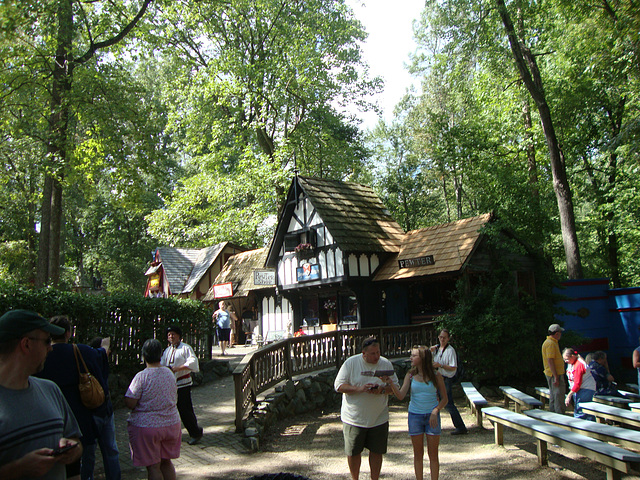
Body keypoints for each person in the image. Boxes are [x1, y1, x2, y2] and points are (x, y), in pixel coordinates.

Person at [0, 309, 82, 480]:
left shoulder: (51, 389)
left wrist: (73, 448)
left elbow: (75, 439)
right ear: (26, 344)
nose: (50, 348)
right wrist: (19, 468)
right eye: (47, 341)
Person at [37, 315, 115, 480]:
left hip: (49, 417)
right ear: (68, 333)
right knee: (85, 455)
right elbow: (101, 355)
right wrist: (105, 346)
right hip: (80, 415)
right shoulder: (80, 351)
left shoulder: (40, 357)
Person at [334, 336, 399, 480]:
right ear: (364, 354)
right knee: (353, 452)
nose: (376, 356)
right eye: (372, 353)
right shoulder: (351, 363)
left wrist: (381, 390)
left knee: (377, 452)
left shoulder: (385, 364)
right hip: (354, 418)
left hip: (379, 417)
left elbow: (396, 388)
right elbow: (338, 386)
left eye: (378, 352)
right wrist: (359, 389)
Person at [384, 346, 447, 480]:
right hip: (415, 416)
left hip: (432, 417)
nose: (411, 358)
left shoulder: (436, 375)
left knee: (433, 454)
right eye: (411, 355)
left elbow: (445, 399)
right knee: (418, 454)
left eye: (414, 356)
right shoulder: (410, 374)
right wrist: (391, 384)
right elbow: (401, 395)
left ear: (422, 358)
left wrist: (436, 410)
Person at [125, 339, 181, 480]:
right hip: (171, 424)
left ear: (144, 355)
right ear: (161, 354)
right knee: (166, 461)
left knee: (153, 466)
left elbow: (130, 402)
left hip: (147, 427)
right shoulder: (169, 373)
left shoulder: (141, 376)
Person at [160, 325, 204, 445]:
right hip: (171, 384)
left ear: (179, 335)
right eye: (169, 335)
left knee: (185, 410)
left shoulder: (185, 348)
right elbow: (163, 364)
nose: (171, 336)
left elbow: (193, 362)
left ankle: (195, 432)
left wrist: (178, 368)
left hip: (183, 384)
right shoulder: (167, 350)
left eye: (173, 334)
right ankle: (171, 435)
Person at [431, 329, 467, 435]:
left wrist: (440, 365)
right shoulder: (437, 349)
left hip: (446, 378)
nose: (442, 339)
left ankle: (460, 426)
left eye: (444, 337)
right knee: (436, 401)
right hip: (438, 377)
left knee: (448, 403)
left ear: (448, 339)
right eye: (440, 337)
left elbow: (453, 367)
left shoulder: (450, 350)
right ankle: (434, 425)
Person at [563, 348, 596, 421]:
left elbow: (577, 384)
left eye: (567, 359)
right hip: (579, 389)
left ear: (572, 356)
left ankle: (579, 428)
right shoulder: (572, 362)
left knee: (581, 411)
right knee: (581, 410)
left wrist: (569, 395)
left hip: (586, 388)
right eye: (564, 359)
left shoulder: (579, 365)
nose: (565, 361)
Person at [541, 323, 566, 414]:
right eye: (560, 333)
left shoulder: (551, 342)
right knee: (558, 396)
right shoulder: (550, 343)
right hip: (554, 374)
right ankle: (560, 417)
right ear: (557, 334)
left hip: (553, 373)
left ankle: (553, 415)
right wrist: (556, 376)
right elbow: (550, 360)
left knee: (554, 395)